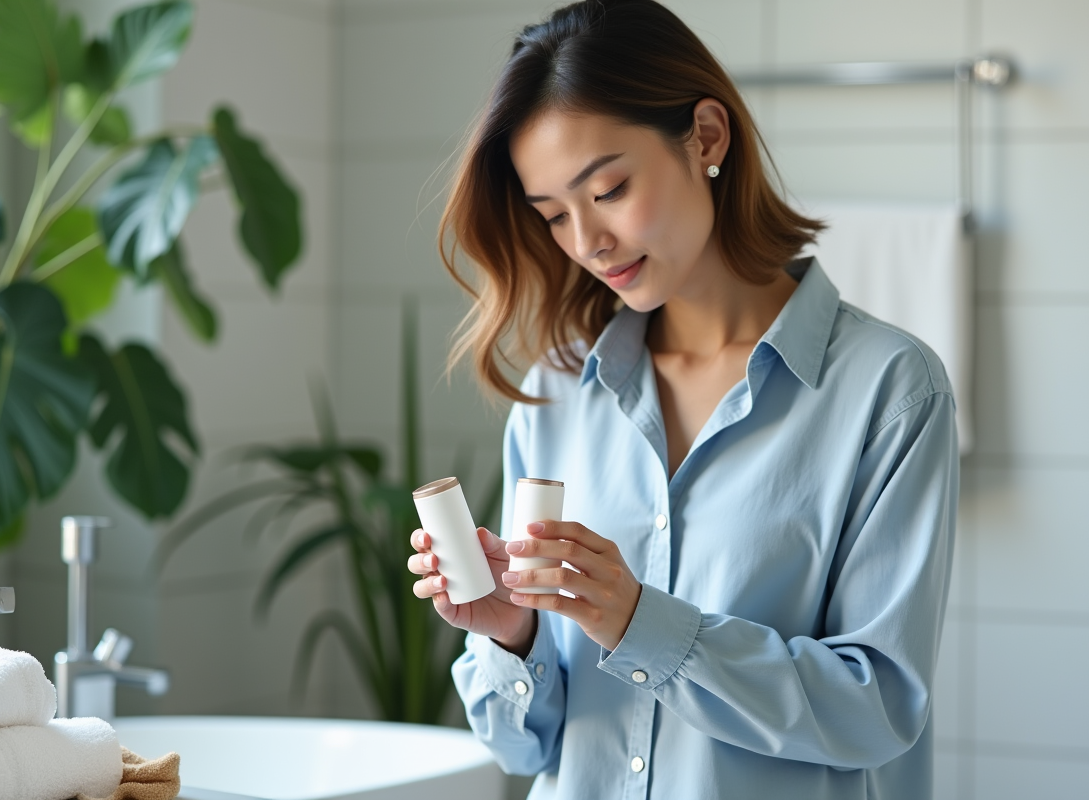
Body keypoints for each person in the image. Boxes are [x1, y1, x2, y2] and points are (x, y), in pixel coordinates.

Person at [406, 1, 958, 797]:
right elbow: (525, 755)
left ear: (706, 136)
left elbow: (876, 711)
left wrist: (643, 625)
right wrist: (516, 636)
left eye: (610, 189)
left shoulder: (890, 392)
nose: (586, 242)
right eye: (555, 215)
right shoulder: (556, 391)